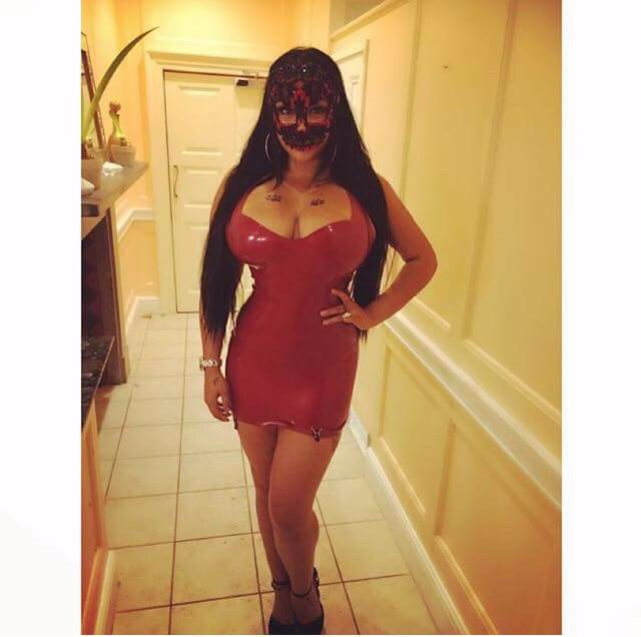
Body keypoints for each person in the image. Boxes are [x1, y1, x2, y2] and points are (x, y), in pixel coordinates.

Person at [199, 47, 437, 634]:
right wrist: (211, 365)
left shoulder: (367, 190)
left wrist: (371, 314)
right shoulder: (240, 186)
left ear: (336, 111)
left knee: (288, 505)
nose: (300, 126)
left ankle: (305, 599)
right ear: (271, 112)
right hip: (252, 361)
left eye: (314, 111)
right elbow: (215, 282)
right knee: (265, 492)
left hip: (323, 369)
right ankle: (283, 595)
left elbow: (423, 260)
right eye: (287, 110)